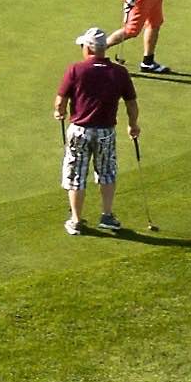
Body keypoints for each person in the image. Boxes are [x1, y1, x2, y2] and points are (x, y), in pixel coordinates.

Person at [57, 26, 142, 235]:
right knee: (107, 172)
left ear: (88, 48)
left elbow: (61, 100)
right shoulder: (119, 72)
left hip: (79, 131)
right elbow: (131, 103)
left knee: (76, 174)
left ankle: (76, 220)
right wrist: (133, 124)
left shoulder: (75, 70)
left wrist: (59, 113)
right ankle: (107, 215)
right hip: (106, 131)